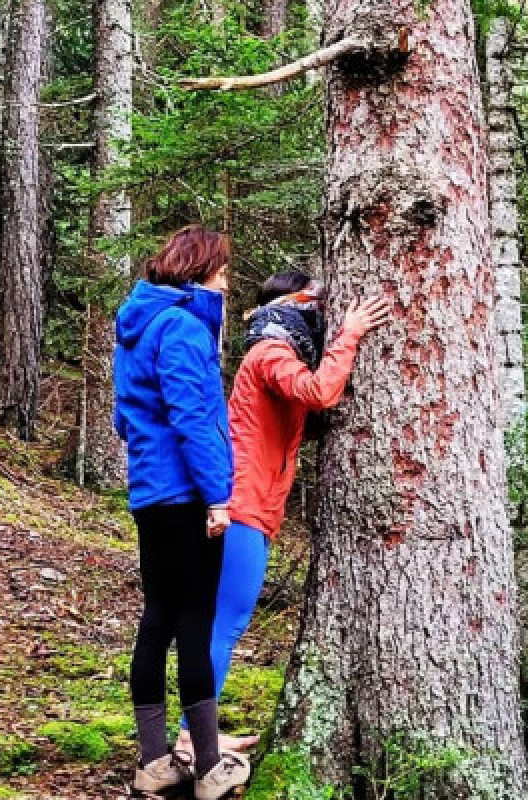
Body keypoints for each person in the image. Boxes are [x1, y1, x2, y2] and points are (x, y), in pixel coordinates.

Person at [176, 271, 391, 756]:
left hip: (252, 506)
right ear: (288, 308)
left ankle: (195, 733)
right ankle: (194, 738)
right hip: (242, 507)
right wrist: (350, 334)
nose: (318, 317)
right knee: (224, 624)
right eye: (311, 307)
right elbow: (318, 393)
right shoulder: (269, 353)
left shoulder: (274, 353)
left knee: (219, 623)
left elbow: (301, 415)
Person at [113, 225, 252, 800]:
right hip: (188, 495)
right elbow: (195, 417)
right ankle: (211, 771)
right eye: (221, 272)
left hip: (151, 492)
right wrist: (218, 495)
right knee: (194, 622)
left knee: (159, 617)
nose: (227, 282)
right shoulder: (182, 328)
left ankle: (153, 764)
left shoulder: (138, 324)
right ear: (201, 272)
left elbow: (128, 418)